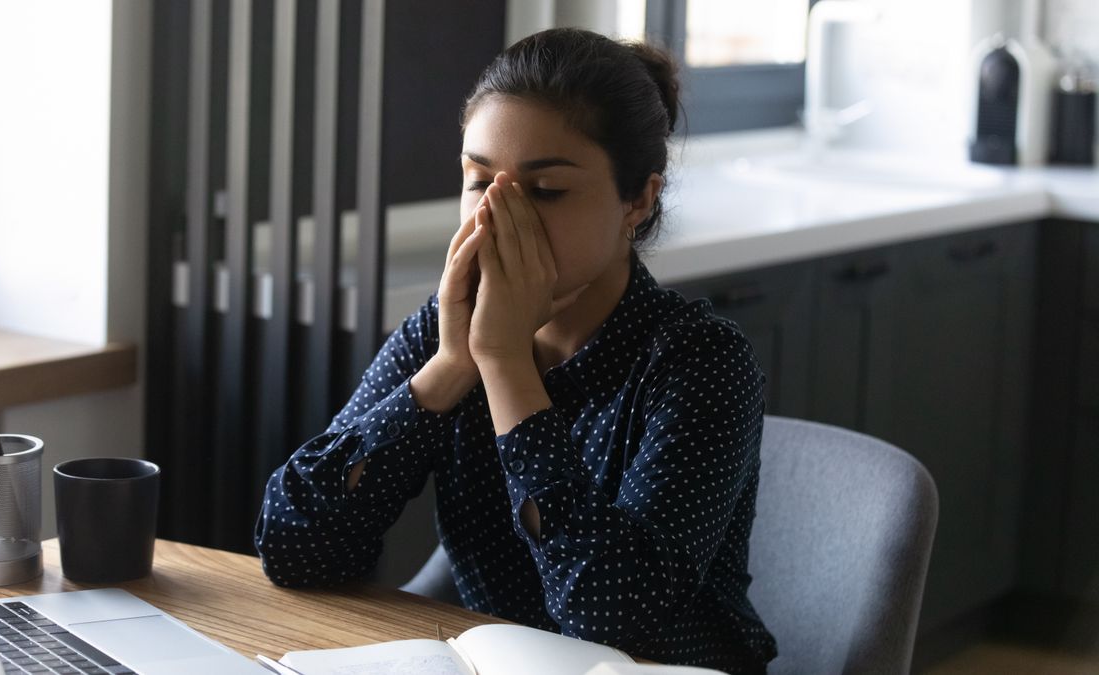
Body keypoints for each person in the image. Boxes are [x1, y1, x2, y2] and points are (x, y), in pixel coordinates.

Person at [255, 27, 777, 674]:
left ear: (637, 199)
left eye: (545, 191)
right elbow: (291, 545)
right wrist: (451, 368)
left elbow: (611, 624)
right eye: (480, 182)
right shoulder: (446, 331)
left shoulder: (701, 363)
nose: (498, 220)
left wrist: (504, 367)